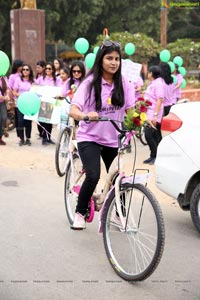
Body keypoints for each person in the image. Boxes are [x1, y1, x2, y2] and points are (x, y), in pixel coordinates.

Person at [70, 40, 135, 230]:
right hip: (88, 138)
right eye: (109, 58)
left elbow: (130, 109)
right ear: (100, 60)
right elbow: (74, 110)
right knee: (93, 175)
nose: (114, 62)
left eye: (117, 59)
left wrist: (139, 120)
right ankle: (80, 212)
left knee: (119, 178)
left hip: (112, 139)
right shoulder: (89, 83)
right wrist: (85, 115)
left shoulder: (124, 83)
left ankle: (118, 214)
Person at [143, 66, 164, 165]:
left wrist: (155, 115)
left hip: (154, 113)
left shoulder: (158, 84)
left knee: (148, 135)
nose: (147, 74)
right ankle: (154, 155)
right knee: (155, 135)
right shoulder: (153, 83)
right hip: (150, 112)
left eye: (148, 72)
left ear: (151, 73)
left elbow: (160, 99)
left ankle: (156, 156)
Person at [35, 62, 59, 145]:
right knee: (42, 121)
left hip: (52, 102)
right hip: (42, 102)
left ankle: (48, 137)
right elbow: (35, 87)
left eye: (50, 68)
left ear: (53, 70)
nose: (48, 70)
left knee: (49, 122)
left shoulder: (56, 80)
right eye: (46, 68)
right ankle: (44, 137)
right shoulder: (41, 78)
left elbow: (59, 90)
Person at [13, 64, 34, 146]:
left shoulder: (33, 81)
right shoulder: (18, 80)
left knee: (28, 122)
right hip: (20, 104)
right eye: (24, 69)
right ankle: (21, 138)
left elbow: (35, 92)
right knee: (20, 121)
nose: (25, 71)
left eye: (27, 69)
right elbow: (14, 91)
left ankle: (28, 138)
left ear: (30, 71)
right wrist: (21, 96)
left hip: (29, 104)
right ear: (21, 71)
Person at [8, 59, 24, 138]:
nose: (22, 67)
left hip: (24, 98)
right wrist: (11, 99)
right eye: (20, 66)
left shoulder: (23, 74)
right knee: (18, 117)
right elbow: (10, 88)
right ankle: (19, 134)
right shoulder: (12, 76)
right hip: (15, 98)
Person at [35, 60, 46, 138]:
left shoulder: (46, 77)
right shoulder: (36, 77)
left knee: (46, 118)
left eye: (39, 67)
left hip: (46, 101)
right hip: (38, 100)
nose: (37, 69)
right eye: (36, 67)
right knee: (38, 118)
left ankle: (45, 135)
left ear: (43, 68)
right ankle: (41, 133)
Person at [0, 76, 10, 145]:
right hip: (2, 99)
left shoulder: (4, 78)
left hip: (2, 102)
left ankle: (0, 137)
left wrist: (7, 93)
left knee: (4, 118)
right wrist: (4, 97)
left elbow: (8, 88)